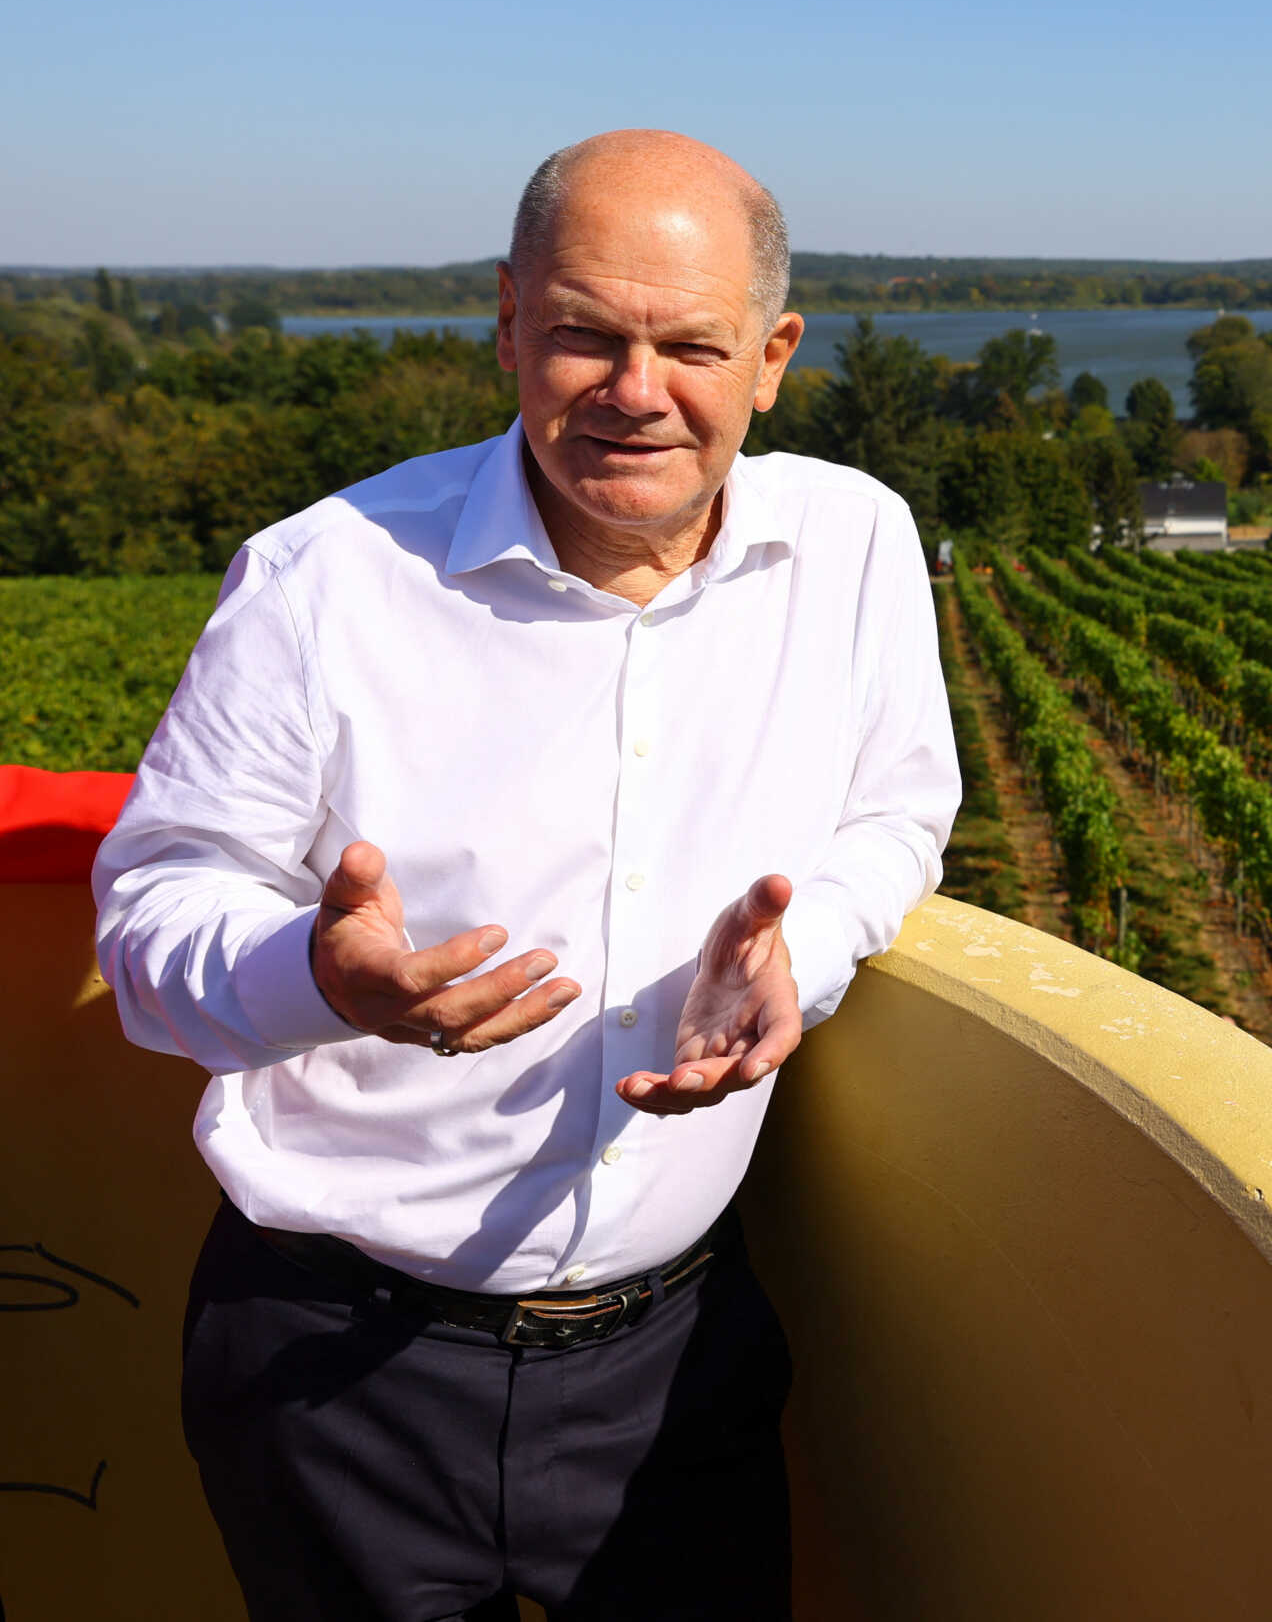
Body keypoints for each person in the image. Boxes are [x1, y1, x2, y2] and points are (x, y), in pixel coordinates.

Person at [92, 130, 960, 1621]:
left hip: (679, 1362)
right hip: (330, 1368)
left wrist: (800, 955)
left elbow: (898, 812)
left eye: (691, 343)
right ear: (507, 321)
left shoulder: (859, 548)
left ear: (773, 355)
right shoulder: (324, 581)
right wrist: (316, 978)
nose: (638, 390)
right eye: (583, 334)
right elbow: (150, 912)